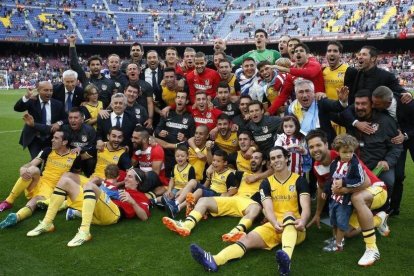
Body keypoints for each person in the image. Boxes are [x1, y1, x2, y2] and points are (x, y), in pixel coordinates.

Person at [188, 146, 310, 275]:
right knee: (246, 239)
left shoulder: (299, 180)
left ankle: (286, 261)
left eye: (279, 157)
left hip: (295, 227)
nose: (276, 160)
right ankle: (214, 260)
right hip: (274, 225)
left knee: (289, 214)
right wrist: (274, 223)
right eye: (273, 158)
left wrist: (303, 221)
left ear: (286, 158)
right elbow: (267, 208)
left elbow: (306, 207)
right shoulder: (266, 183)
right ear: (270, 162)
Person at [305, 130, 389, 266]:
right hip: (353, 198)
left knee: (356, 198)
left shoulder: (344, 153)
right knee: (347, 233)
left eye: (318, 145)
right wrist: (318, 213)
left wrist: (345, 189)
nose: (315, 150)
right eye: (311, 147)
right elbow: (321, 188)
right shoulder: (317, 166)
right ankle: (379, 219)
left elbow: (366, 182)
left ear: (327, 145)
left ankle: (372, 248)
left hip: (376, 189)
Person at [26, 168, 150, 247]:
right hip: (95, 210)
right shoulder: (119, 189)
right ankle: (47, 223)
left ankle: (84, 232)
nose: (125, 178)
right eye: (126, 175)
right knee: (64, 181)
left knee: (90, 186)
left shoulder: (141, 196)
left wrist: (132, 202)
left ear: (138, 182)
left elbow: (144, 217)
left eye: (129, 177)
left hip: (113, 215)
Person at [162, 151, 265, 240]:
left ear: (264, 162)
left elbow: (273, 173)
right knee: (203, 200)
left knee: (256, 207)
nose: (252, 160)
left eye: (256, 158)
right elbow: (222, 167)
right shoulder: (243, 174)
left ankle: (235, 232)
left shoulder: (268, 179)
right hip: (232, 200)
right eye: (251, 158)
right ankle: (186, 225)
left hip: (248, 203)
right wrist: (211, 166)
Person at [0, 131, 80, 228]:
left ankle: (17, 217)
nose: (52, 140)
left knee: (35, 201)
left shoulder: (74, 156)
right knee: (33, 169)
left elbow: (75, 177)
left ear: (64, 142)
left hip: (51, 189)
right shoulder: (47, 150)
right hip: (38, 182)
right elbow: (31, 164)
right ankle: (8, 201)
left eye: (56, 138)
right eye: (53, 137)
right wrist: (23, 168)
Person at [341, 89, 402, 195]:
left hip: (378, 165)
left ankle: (383, 208)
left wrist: (387, 161)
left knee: (388, 181)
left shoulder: (386, 121)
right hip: (354, 164)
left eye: (364, 104)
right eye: (357, 103)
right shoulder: (350, 119)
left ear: (372, 104)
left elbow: (396, 146)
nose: (360, 107)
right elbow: (331, 113)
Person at [161, 149, 236, 219]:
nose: (214, 163)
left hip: (218, 196)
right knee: (193, 181)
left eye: (218, 161)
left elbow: (233, 190)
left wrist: (224, 194)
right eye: (213, 160)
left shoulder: (229, 174)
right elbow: (206, 186)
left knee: (199, 190)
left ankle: (176, 209)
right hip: (211, 192)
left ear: (225, 163)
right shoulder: (213, 170)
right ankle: (176, 203)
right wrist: (208, 177)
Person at [322, 134, 365, 252]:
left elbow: (360, 180)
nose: (348, 155)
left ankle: (338, 244)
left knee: (341, 223)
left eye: (351, 152)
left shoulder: (355, 164)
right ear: (338, 151)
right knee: (333, 221)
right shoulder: (335, 163)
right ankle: (335, 238)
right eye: (345, 152)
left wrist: (344, 182)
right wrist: (326, 190)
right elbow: (330, 178)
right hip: (333, 198)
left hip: (345, 202)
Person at [287, 78, 348, 144]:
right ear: (296, 95)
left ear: (313, 92)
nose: (304, 95)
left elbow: (336, 106)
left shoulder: (320, 102)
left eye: (307, 91)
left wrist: (342, 101)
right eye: (301, 92)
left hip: (325, 145)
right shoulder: (291, 108)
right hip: (301, 146)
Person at [14, 81, 66, 159]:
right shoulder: (32, 101)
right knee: (36, 160)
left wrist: (58, 123)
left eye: (51, 90)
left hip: (50, 138)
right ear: (38, 90)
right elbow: (17, 108)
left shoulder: (58, 104)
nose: (49, 93)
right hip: (34, 137)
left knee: (48, 161)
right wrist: (27, 96)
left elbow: (65, 118)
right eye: (46, 90)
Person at [347, 45, 412, 104]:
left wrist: (408, 94)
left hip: (377, 115)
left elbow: (400, 91)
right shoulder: (355, 75)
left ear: (373, 58)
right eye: (359, 54)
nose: (359, 57)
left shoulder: (386, 76)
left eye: (364, 54)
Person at [68, 34, 115, 108]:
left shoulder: (109, 82)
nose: (95, 67)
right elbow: (74, 64)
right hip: (87, 115)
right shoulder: (85, 78)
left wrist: (106, 111)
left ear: (101, 66)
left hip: (104, 116)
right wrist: (72, 44)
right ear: (89, 67)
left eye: (97, 64)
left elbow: (113, 101)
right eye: (92, 65)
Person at [131, 127, 168, 199]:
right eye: (132, 137)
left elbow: (155, 174)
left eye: (136, 138)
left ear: (144, 140)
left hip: (155, 180)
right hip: (141, 178)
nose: (133, 140)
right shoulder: (138, 149)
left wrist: (137, 178)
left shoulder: (156, 149)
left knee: (150, 175)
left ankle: (138, 193)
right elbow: (132, 165)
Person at [160, 145, 196, 217]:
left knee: (176, 198)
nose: (180, 158)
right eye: (177, 156)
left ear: (187, 157)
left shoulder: (190, 168)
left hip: (186, 190)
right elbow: (172, 180)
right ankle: (154, 201)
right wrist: (169, 190)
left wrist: (182, 191)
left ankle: (172, 207)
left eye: (182, 156)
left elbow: (191, 184)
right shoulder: (175, 167)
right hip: (176, 188)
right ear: (175, 156)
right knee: (167, 195)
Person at [61, 107, 97, 177]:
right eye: (70, 118)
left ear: (82, 119)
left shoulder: (90, 130)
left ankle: (88, 178)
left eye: (75, 118)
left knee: (92, 161)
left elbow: (93, 146)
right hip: (69, 155)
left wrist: (81, 149)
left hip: (84, 155)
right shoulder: (64, 129)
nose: (72, 120)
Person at [125, 63, 155, 128]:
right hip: (126, 114)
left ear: (139, 71)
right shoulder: (124, 85)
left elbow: (150, 103)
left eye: (134, 69)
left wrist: (150, 118)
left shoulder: (147, 85)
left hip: (142, 116)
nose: (132, 71)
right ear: (127, 73)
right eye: (130, 69)